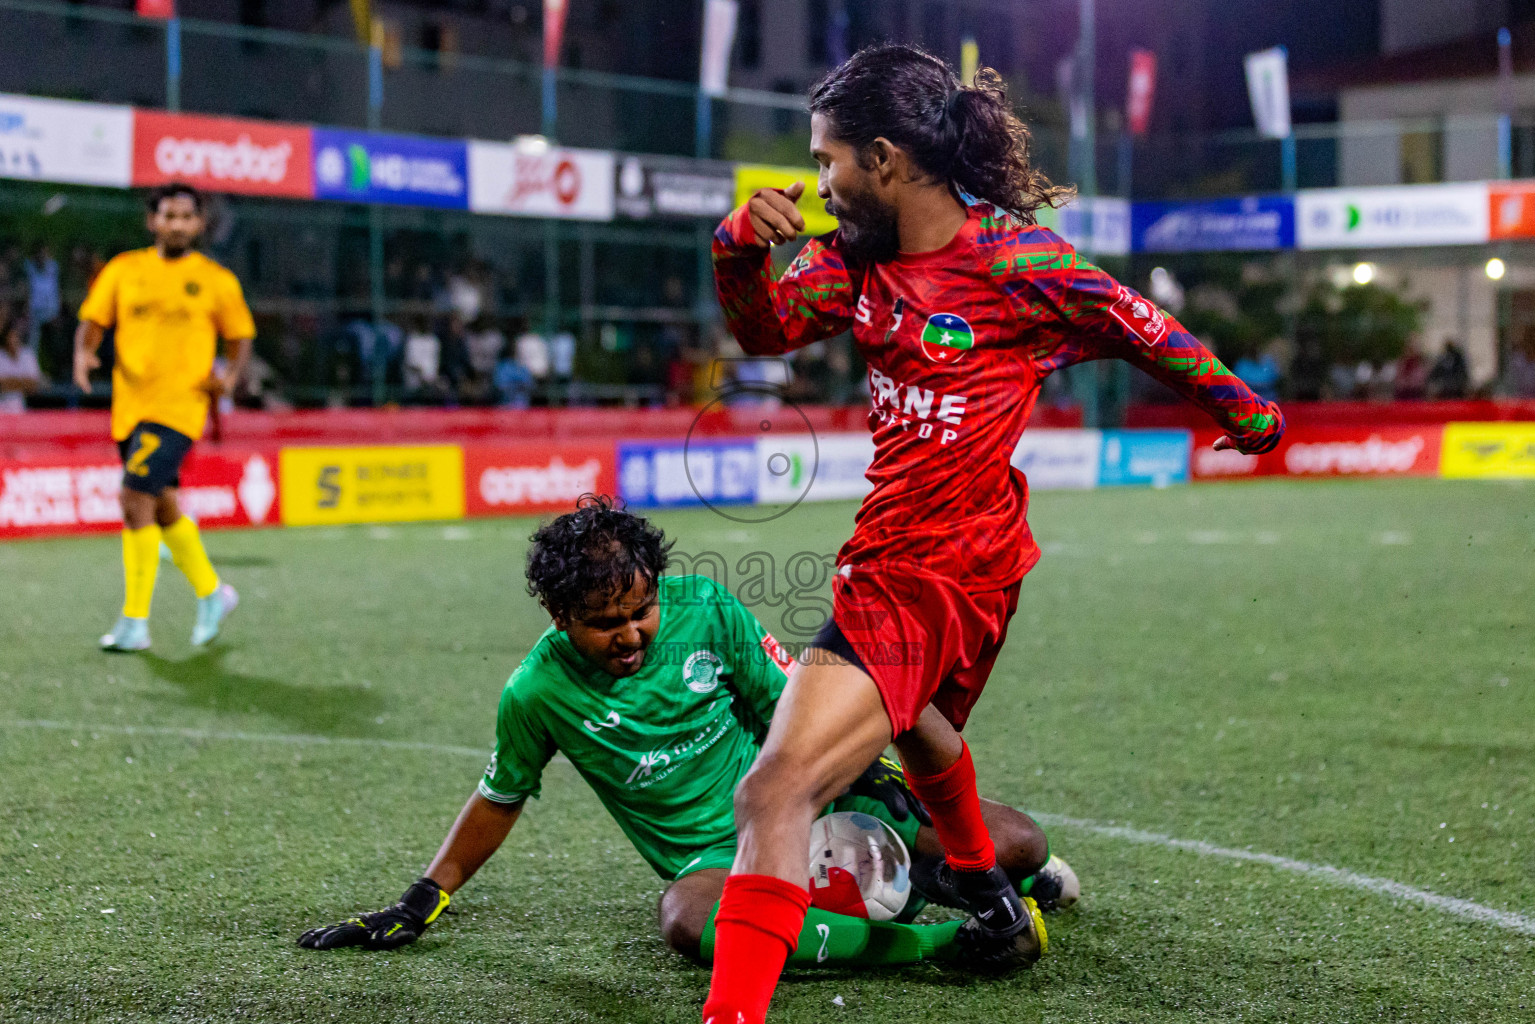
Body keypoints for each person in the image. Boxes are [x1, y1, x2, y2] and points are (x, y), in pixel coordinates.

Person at [704, 44, 1284, 1023]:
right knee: (921, 728)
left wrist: (1247, 415)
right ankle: (991, 902)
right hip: (938, 564)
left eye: (826, 161)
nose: (818, 185)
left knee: (772, 793)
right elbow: (763, 332)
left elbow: (1149, 329)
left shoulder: (1018, 265)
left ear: (883, 158)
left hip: (929, 578)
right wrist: (734, 249)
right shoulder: (854, 264)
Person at [296, 497, 1078, 965]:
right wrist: (425, 896)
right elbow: (499, 797)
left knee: (1022, 842)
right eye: (604, 624)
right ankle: (944, 945)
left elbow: (793, 708)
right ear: (557, 616)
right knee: (687, 921)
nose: (631, 633)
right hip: (715, 862)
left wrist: (866, 782)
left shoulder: (705, 607)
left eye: (640, 610)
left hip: (805, 803)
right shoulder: (535, 693)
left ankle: (950, 881)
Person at [74, 183, 253, 653]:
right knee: (162, 504)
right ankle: (214, 594)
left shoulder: (216, 280)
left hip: (180, 407)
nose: (176, 224)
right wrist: (84, 354)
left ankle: (135, 622)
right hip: (129, 407)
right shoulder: (123, 270)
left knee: (134, 497)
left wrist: (231, 377)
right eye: (167, 215)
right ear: (152, 221)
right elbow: (92, 322)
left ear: (199, 224)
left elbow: (240, 336)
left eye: (185, 217)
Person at [0, 302, 41, 412]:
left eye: (16, 336)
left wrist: (9, 382)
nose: (13, 340)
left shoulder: (27, 354)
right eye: (11, 337)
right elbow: (1, 384)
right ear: (6, 338)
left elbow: (34, 384)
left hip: (21, 408)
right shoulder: (1, 355)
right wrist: (22, 382)